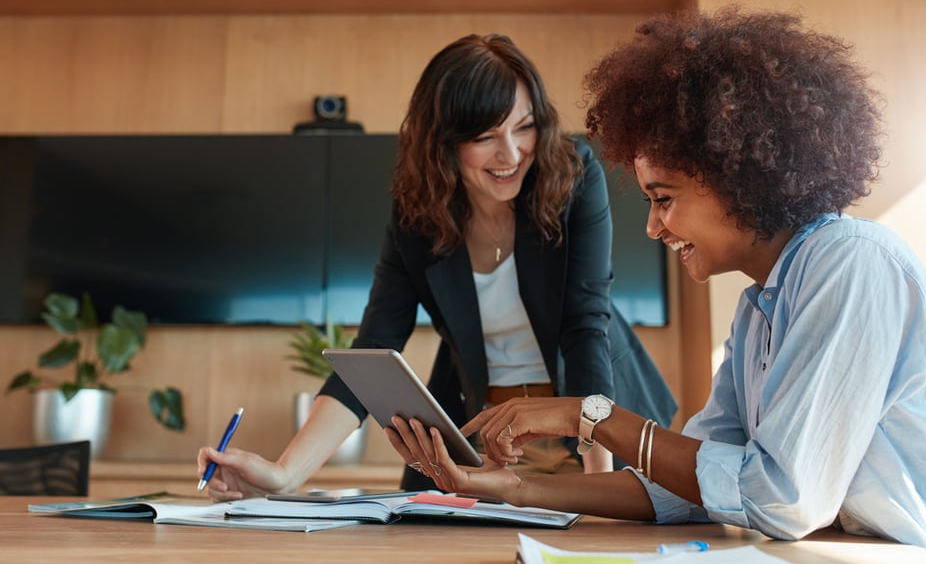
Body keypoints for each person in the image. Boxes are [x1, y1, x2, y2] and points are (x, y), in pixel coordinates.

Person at [387, 8, 926, 555]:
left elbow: (781, 497)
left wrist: (589, 416)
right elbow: (690, 487)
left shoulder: (851, 263)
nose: (653, 224)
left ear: (738, 175)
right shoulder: (758, 309)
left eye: (663, 199)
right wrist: (514, 490)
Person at [197, 33, 677, 499]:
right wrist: (283, 475)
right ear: (444, 142)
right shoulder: (418, 216)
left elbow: (584, 325)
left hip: (593, 431)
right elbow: (374, 349)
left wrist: (598, 486)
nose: (511, 154)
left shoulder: (572, 176)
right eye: (486, 136)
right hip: (488, 442)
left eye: (524, 126)